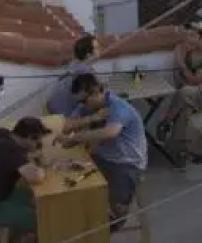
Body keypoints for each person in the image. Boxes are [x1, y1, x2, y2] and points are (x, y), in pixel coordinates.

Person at [59, 73, 149, 230]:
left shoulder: (118, 107)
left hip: (126, 163)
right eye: (79, 101)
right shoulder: (89, 106)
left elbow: (110, 132)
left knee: (117, 212)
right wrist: (92, 118)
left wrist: (78, 137)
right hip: (102, 156)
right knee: (68, 179)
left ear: (95, 92)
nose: (81, 105)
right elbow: (66, 126)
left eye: (83, 100)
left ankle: (104, 233)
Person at [157, 21, 202, 161]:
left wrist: (182, 64)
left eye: (192, 36)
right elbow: (179, 77)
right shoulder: (184, 49)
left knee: (185, 91)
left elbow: (195, 80)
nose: (188, 39)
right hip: (184, 94)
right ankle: (181, 151)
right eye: (187, 36)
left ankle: (166, 122)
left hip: (201, 95)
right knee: (184, 109)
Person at [46, 35, 98, 117]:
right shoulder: (85, 72)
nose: (99, 50)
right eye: (97, 48)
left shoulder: (74, 65)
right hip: (65, 114)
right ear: (88, 54)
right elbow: (91, 99)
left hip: (53, 109)